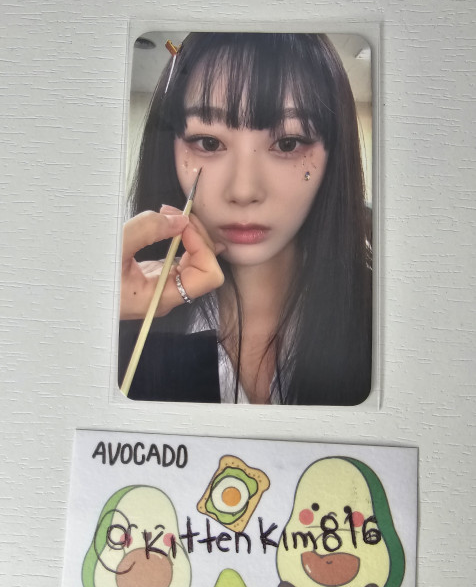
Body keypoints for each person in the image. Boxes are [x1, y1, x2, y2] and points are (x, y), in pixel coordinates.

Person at [119, 32, 372, 405]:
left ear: (334, 153)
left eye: (287, 143)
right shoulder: (124, 320)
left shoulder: (388, 322)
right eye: (209, 142)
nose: (243, 190)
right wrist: (94, 319)